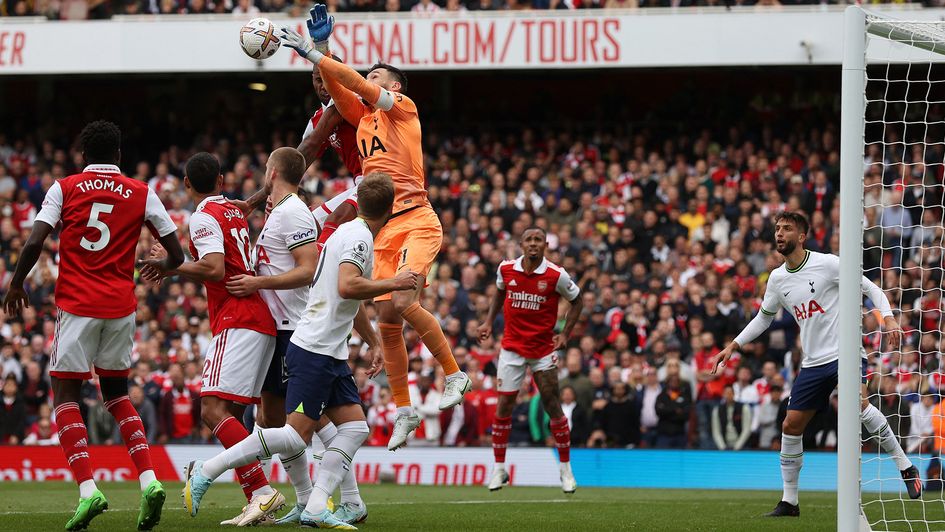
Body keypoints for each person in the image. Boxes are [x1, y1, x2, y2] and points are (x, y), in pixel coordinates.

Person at [181, 172, 421, 530]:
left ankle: (320, 504)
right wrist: (395, 282)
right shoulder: (352, 236)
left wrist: (371, 340)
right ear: (391, 210)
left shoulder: (342, 233)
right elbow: (348, 285)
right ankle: (209, 470)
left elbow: (343, 291)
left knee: (353, 428)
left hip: (325, 347)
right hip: (311, 345)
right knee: (291, 430)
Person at [281, 8, 470, 451]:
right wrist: (322, 52)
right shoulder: (363, 117)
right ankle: (404, 410)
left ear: (395, 85)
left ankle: (455, 373)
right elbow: (339, 86)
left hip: (418, 218)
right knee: (387, 319)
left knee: (403, 301)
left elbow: (359, 85)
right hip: (383, 227)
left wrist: (313, 52)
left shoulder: (403, 108)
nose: (369, 78)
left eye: (377, 74)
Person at [2, 120, 182, 531]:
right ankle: (150, 480)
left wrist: (15, 284)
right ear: (119, 155)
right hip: (121, 307)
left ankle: (88, 490)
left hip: (78, 304)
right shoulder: (142, 191)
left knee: (64, 392)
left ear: (83, 156)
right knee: (117, 394)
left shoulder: (63, 188)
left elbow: (34, 241)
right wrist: (163, 267)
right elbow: (176, 251)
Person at [712, 211, 921, 517]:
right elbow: (764, 318)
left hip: (845, 353)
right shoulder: (777, 278)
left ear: (802, 236)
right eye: (778, 229)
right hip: (812, 363)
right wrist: (735, 344)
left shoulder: (828, 264)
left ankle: (906, 467)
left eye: (787, 229)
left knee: (860, 407)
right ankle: (790, 501)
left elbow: (871, 288)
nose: (779, 234)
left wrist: (887, 318)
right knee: (791, 424)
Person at [227, 146, 372, 526]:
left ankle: (339, 500)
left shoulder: (293, 212)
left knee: (310, 423)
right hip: (279, 331)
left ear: (272, 171)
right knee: (274, 418)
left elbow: (308, 271)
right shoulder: (279, 212)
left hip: (297, 333)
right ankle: (310, 499)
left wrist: (258, 281)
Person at [139, 152, 281, 527]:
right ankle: (257, 498)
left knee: (211, 411)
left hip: (237, 318)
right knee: (231, 415)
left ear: (186, 184)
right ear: (221, 179)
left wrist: (171, 266)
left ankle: (263, 491)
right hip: (258, 319)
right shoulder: (234, 210)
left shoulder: (203, 216)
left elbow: (214, 268)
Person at [477, 226, 583, 493]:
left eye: (538, 240)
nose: (533, 244)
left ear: (546, 244)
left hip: (543, 349)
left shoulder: (556, 274)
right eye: (529, 240)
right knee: (505, 406)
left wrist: (565, 334)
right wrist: (489, 321)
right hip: (512, 348)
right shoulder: (506, 269)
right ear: (521, 244)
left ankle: (566, 469)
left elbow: (578, 300)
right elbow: (500, 292)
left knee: (552, 404)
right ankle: (499, 469)